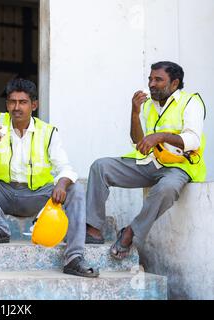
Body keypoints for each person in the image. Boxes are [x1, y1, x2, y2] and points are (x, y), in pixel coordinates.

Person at [0, 78, 99, 278]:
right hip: (1, 193)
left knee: (75, 188)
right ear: (7, 103)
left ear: (34, 105)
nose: (16, 107)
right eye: (12, 102)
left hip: (36, 198)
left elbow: (65, 167)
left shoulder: (48, 132)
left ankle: (74, 257)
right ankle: (0, 227)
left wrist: (61, 182)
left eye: (22, 102)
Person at [86, 61, 206, 260]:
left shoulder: (191, 102)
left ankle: (130, 233)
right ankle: (93, 230)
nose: (151, 84)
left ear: (174, 83)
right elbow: (137, 141)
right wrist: (134, 112)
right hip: (148, 163)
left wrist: (160, 136)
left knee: (167, 188)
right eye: (150, 79)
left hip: (179, 166)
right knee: (101, 166)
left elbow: (192, 140)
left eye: (158, 79)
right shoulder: (148, 103)